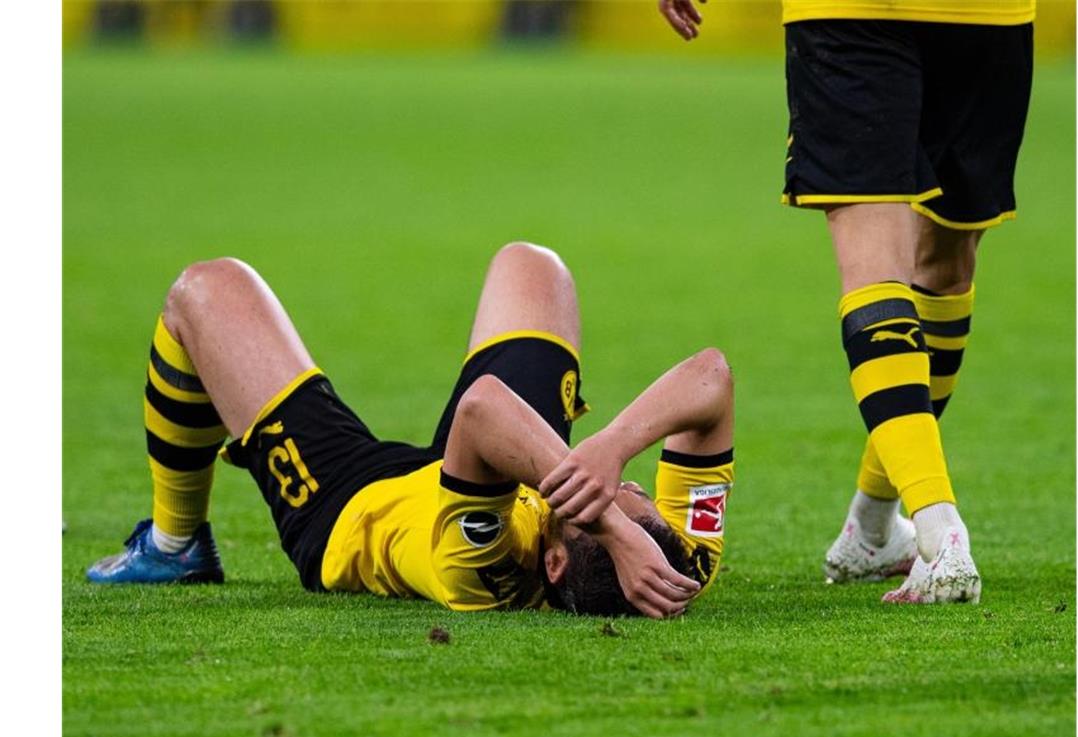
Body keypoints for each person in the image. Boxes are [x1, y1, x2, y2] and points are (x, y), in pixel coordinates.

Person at [87, 242, 736, 618]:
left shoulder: (482, 571)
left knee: (203, 289)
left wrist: (614, 525)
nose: (621, 490)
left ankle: (176, 547)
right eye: (637, 495)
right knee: (532, 265)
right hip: (486, 467)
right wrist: (615, 447)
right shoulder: (678, 565)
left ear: (556, 559)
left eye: (596, 502)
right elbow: (712, 377)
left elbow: (480, 412)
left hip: (346, 506)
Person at [658, 0, 1035, 603]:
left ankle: (873, 526)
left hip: (981, 17)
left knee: (943, 264)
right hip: (874, 15)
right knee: (887, 264)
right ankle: (940, 531)